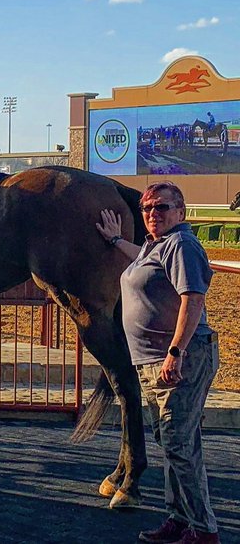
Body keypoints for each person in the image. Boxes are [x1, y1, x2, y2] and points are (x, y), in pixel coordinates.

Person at [97, 182, 220, 544]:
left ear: (181, 212)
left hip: (181, 358)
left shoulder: (181, 244)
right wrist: (116, 240)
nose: (153, 214)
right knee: (173, 442)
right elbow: (143, 262)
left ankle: (203, 529)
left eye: (162, 207)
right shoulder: (158, 245)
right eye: (148, 207)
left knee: (179, 445)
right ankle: (178, 520)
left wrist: (176, 352)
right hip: (153, 360)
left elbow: (192, 299)